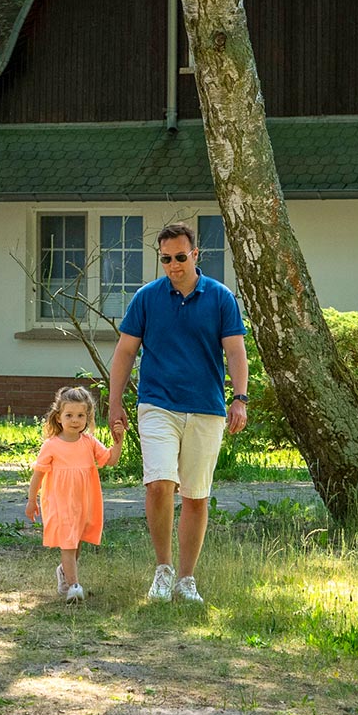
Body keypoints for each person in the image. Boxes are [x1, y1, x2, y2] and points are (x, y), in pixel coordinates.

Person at [107, 220, 248, 605]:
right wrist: (115, 402)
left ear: (195, 255)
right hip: (157, 403)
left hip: (206, 408)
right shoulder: (147, 298)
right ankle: (163, 570)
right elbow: (125, 351)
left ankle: (187, 579)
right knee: (158, 483)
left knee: (196, 495)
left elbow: (235, 351)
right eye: (166, 259)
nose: (173, 265)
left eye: (180, 257)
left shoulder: (220, 298)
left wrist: (240, 398)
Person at [27, 385, 113, 602]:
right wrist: (31, 500)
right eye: (69, 415)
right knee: (68, 542)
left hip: (84, 502)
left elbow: (109, 459)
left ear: (87, 417)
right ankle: (74, 586)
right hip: (60, 502)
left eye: (80, 415)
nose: (75, 420)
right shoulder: (51, 445)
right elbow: (38, 475)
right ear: (59, 417)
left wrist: (118, 441)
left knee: (76, 542)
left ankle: (64, 572)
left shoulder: (89, 442)